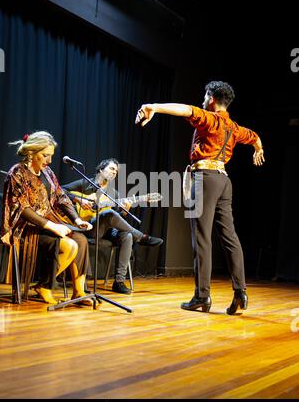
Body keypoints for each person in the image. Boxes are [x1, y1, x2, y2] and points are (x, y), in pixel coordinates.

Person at [135, 80, 265, 314]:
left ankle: (202, 296)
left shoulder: (210, 118)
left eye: (205, 96)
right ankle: (240, 292)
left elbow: (184, 109)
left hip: (204, 179)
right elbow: (254, 137)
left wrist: (153, 106)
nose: (203, 100)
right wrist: (259, 149)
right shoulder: (234, 128)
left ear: (212, 99)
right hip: (224, 181)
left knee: (202, 239)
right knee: (230, 237)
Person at [1, 131, 94, 306]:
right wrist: (51, 225)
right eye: (45, 155)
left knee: (81, 239)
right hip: (26, 228)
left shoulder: (48, 172)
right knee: (68, 245)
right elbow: (21, 208)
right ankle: (44, 286)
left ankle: (79, 292)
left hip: (49, 223)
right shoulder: (17, 172)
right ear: (31, 152)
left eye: (50, 156)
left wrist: (76, 219)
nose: (49, 161)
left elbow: (61, 197)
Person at [62, 158, 163, 294]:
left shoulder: (113, 194)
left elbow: (115, 218)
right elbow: (61, 190)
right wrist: (78, 199)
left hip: (105, 230)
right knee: (109, 213)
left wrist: (123, 210)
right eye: (111, 169)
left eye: (116, 171)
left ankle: (119, 282)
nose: (114, 172)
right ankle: (141, 237)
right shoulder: (85, 183)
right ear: (101, 170)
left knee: (126, 236)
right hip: (87, 228)